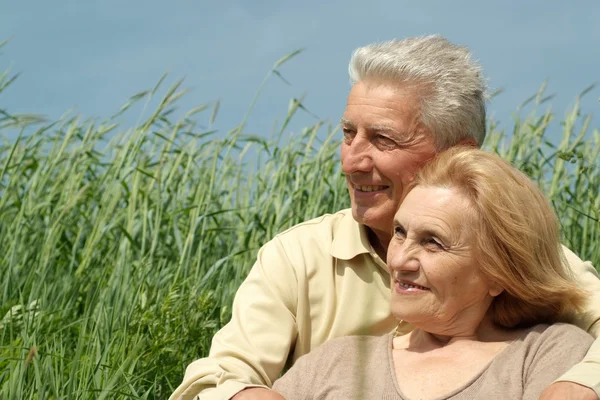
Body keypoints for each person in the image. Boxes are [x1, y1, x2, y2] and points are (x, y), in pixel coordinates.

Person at [170, 36, 600, 400]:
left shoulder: (518, 260)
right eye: (347, 133)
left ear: (459, 153)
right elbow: (215, 380)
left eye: (382, 139)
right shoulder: (298, 258)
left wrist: (576, 386)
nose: (352, 161)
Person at [271, 146, 594, 399]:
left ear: (498, 273)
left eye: (433, 243)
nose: (399, 261)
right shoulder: (336, 362)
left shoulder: (546, 354)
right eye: (400, 232)